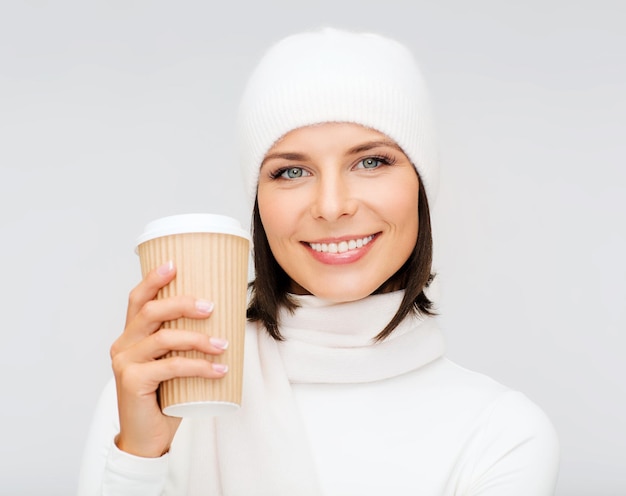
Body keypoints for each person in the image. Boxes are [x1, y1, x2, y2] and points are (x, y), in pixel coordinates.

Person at [78, 27, 560, 495]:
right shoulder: (160, 391)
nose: (332, 205)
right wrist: (138, 458)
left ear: (421, 185)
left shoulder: (502, 433)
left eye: (371, 161)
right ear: (259, 205)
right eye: (291, 171)